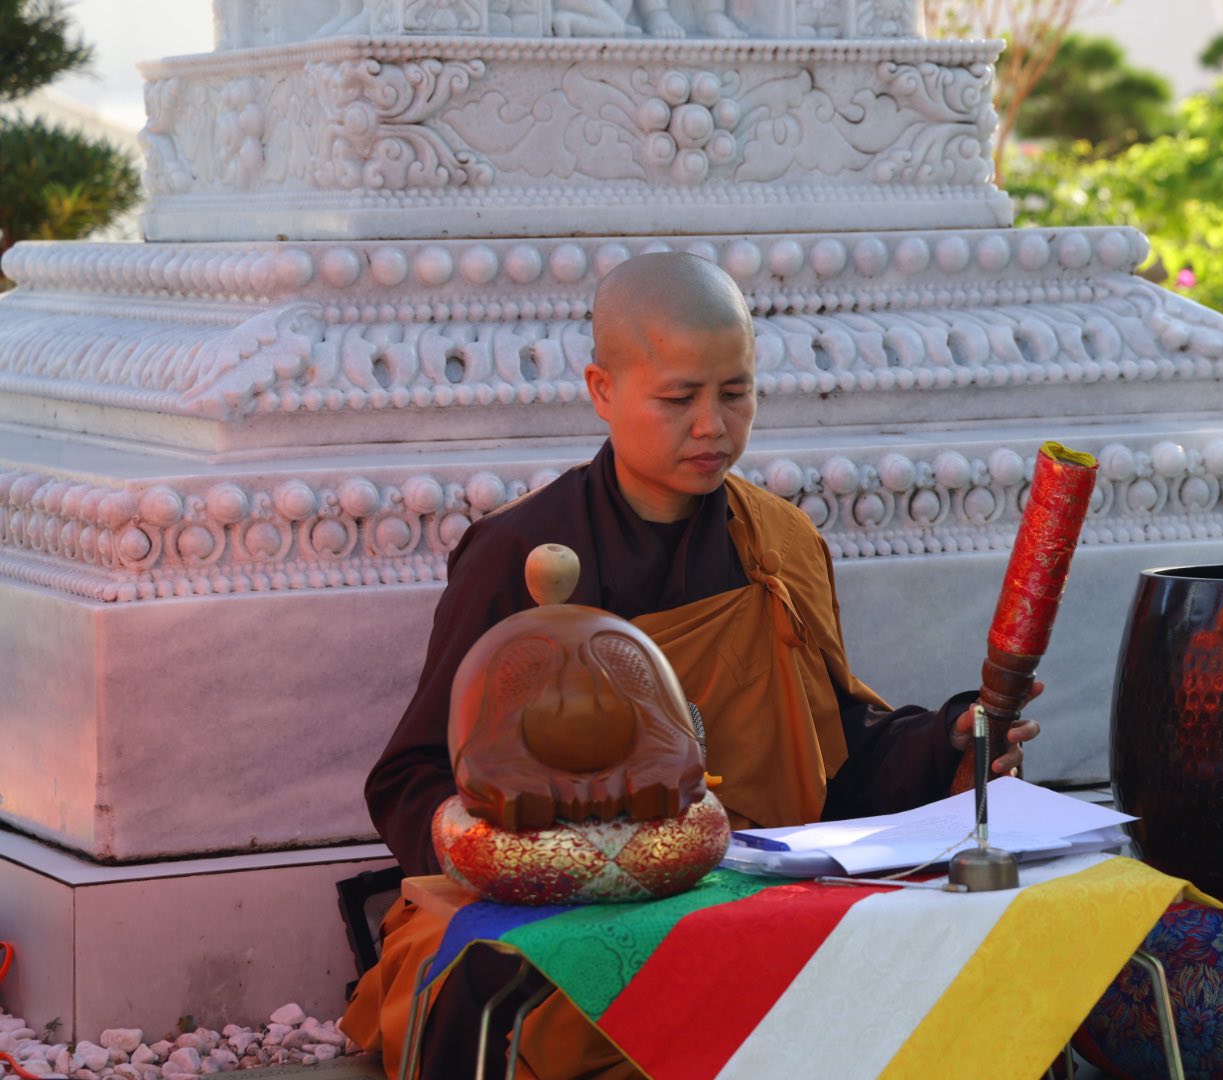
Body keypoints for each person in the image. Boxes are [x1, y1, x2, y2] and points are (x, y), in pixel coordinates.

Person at [340, 252, 1040, 1079]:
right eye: (679, 399)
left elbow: (829, 747)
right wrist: (527, 859)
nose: (712, 425)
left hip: (758, 896)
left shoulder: (780, 542)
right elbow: (411, 776)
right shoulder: (519, 554)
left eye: (735, 393)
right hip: (578, 918)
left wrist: (946, 740)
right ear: (602, 390)